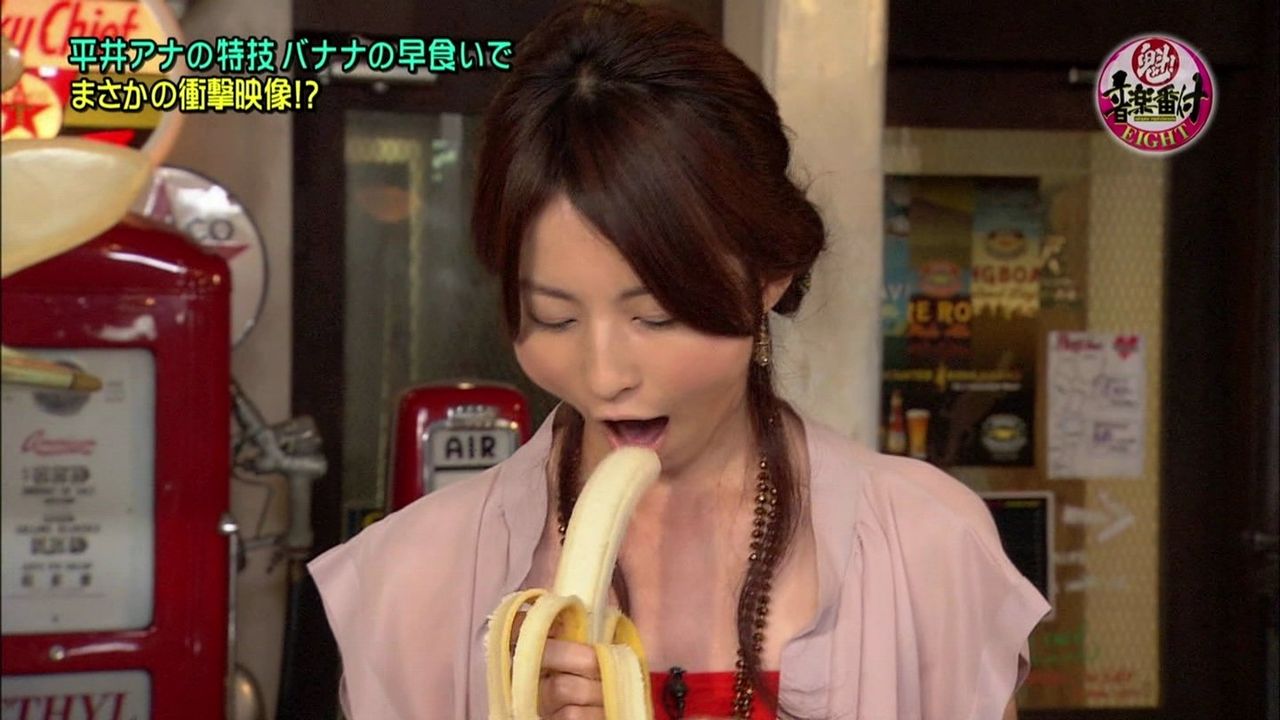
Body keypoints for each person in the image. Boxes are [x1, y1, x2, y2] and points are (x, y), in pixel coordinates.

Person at [308, 2, 1051, 718]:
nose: (605, 376)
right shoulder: (414, 579)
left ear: (769, 275)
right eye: (555, 317)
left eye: (656, 316)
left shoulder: (925, 547)